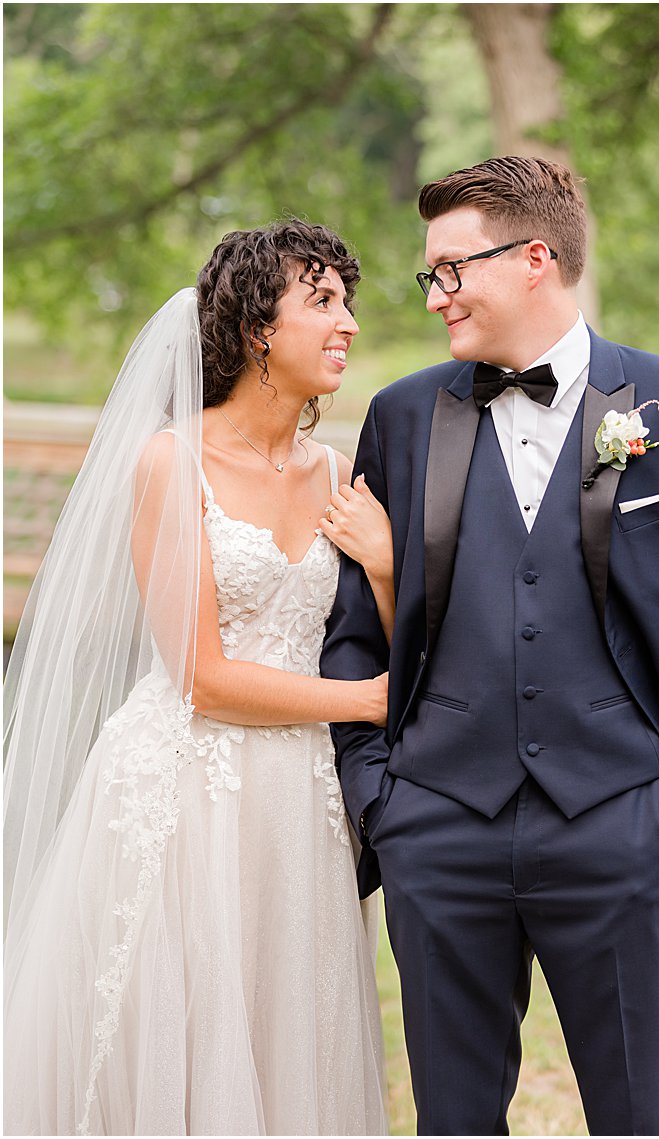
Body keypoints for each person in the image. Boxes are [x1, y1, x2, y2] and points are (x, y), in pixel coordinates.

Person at [321, 155, 659, 1135]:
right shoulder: (400, 415)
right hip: (438, 830)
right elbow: (351, 633)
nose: (435, 295)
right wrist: (383, 802)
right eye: (429, 274)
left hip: (627, 824)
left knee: (638, 1118)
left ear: (533, 257)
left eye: (449, 269)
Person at [3, 220, 394, 1134]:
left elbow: (378, 631)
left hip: (301, 804)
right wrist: (370, 703)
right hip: (189, 796)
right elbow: (203, 679)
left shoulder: (338, 474)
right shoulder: (172, 460)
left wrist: (379, 567)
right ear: (260, 326)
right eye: (322, 301)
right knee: (173, 1040)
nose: (348, 324)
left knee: (287, 1036)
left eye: (348, 302)